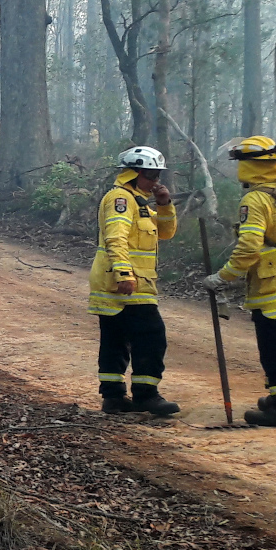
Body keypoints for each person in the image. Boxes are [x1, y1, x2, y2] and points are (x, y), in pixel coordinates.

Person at [204, 136, 276, 427]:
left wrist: (223, 277)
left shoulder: (256, 199)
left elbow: (249, 247)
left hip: (274, 287)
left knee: (275, 347)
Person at [88, 146, 180, 417]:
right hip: (125, 284)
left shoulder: (139, 203)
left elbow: (165, 233)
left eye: (157, 175)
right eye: (150, 175)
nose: (155, 180)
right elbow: (115, 238)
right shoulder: (121, 199)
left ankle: (114, 398)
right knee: (151, 336)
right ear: (133, 173)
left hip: (127, 283)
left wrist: (164, 204)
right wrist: (124, 274)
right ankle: (145, 395)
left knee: (115, 338)